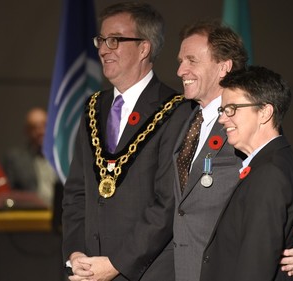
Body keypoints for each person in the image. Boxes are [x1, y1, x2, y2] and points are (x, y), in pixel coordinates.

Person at [172, 20, 293, 281]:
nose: (180, 70)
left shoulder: (249, 129)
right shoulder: (178, 118)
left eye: (191, 60)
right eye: (180, 60)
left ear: (224, 67)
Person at [61, 2, 192, 281]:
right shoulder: (93, 106)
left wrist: (117, 263)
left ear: (144, 48)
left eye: (114, 40)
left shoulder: (178, 111)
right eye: (101, 40)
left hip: (144, 272)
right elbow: (76, 193)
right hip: (87, 271)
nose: (102, 49)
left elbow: (168, 203)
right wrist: (75, 254)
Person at [200, 65, 293, 280]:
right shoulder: (276, 160)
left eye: (232, 108)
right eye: (223, 110)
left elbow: (255, 266)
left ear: (265, 112)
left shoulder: (270, 173)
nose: (223, 119)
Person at [2, 107, 59, 207]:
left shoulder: (61, 158)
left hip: (60, 216)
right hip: (30, 216)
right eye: (34, 127)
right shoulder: (15, 160)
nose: (40, 131)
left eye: (44, 125)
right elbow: (7, 195)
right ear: (27, 131)